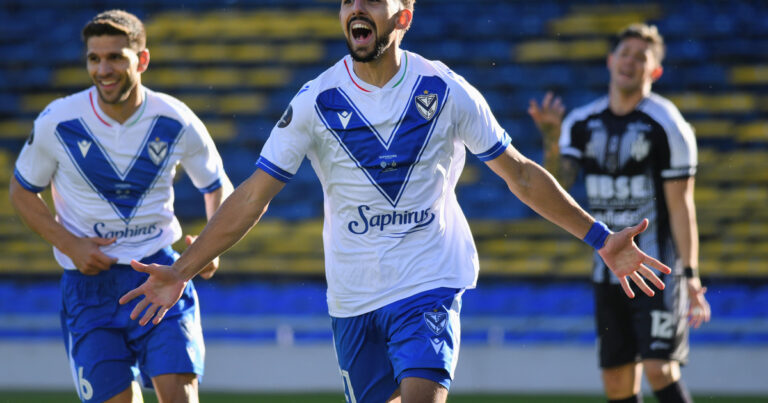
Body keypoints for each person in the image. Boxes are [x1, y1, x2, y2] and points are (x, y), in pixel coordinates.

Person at [120, 2, 669, 402]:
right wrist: (181, 272)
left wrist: (600, 238)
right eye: (347, 1)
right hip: (354, 296)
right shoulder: (314, 102)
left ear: (402, 17)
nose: (356, 9)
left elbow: (521, 175)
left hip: (428, 280)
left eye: (371, 1)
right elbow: (253, 196)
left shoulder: (446, 89)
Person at [9, 9, 233, 403]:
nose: (103, 69)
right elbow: (21, 191)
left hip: (159, 274)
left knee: (181, 397)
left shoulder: (175, 119)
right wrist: (71, 244)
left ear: (142, 60)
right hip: (89, 289)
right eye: (94, 58)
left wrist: (207, 249)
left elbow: (218, 186)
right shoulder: (58, 121)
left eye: (115, 57)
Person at [528, 23, 711, 403]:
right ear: (611, 61)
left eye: (641, 57)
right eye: (624, 54)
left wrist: (691, 274)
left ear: (654, 71)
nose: (630, 62)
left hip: (658, 270)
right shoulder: (581, 122)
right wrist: (550, 137)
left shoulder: (668, 125)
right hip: (608, 269)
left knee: (659, 369)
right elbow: (561, 181)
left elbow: (681, 205)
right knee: (616, 383)